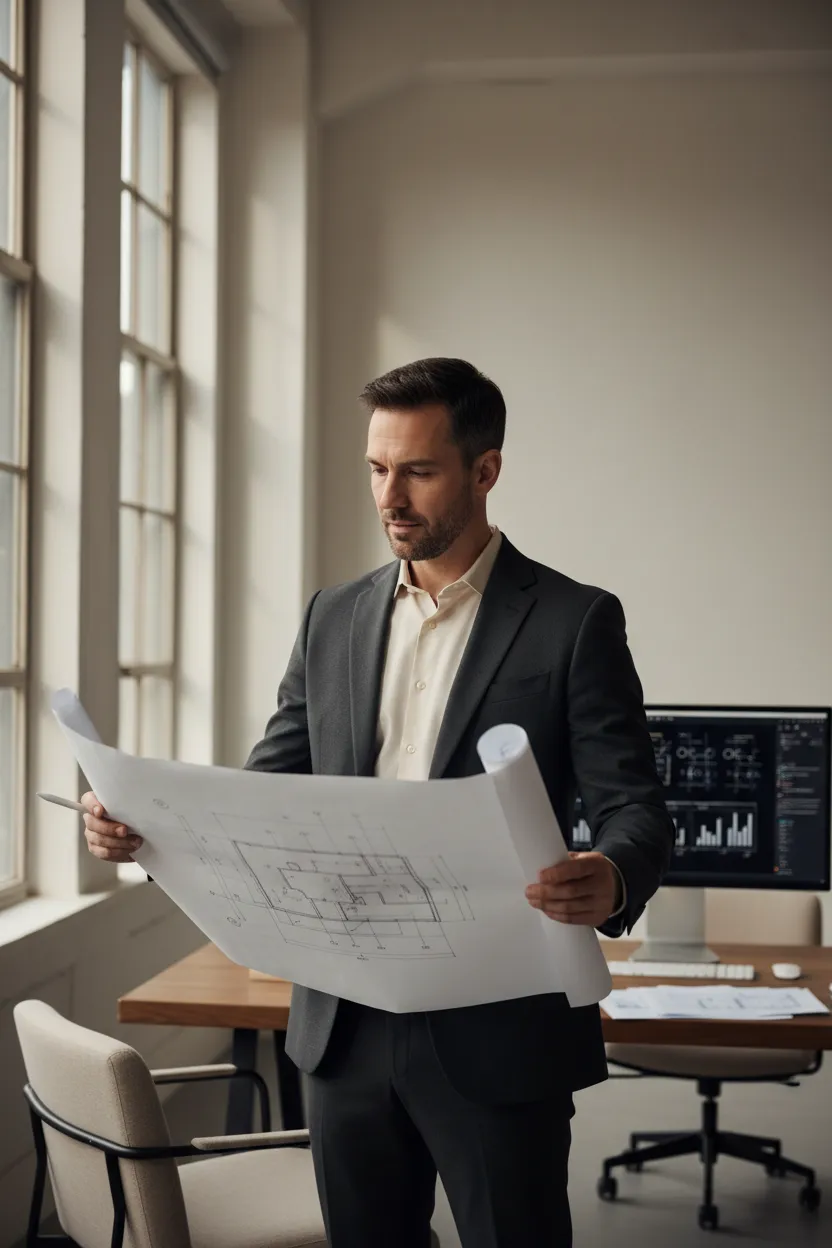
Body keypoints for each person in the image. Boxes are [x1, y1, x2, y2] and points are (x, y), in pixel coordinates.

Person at [82, 357, 674, 1248]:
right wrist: (142, 826)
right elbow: (262, 794)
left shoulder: (573, 620)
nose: (389, 496)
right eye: (376, 469)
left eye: (418, 471)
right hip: (342, 1028)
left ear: (485, 470)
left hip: (498, 1031)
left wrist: (611, 874)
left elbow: (637, 810)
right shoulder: (333, 616)